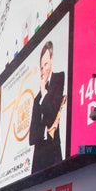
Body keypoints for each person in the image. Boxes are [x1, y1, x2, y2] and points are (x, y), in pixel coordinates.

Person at [29, 40, 65, 174]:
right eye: (41, 67)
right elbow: (32, 137)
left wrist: (44, 92)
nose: (44, 69)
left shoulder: (59, 78)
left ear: (52, 59)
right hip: (39, 154)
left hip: (53, 150)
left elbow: (52, 113)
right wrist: (43, 132)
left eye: (46, 64)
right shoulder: (36, 98)